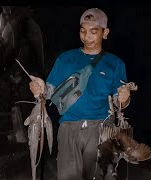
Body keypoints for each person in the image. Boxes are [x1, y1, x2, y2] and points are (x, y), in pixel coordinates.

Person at [29, 8, 131, 180]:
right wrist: (40, 88)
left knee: (99, 176)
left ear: (105, 33)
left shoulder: (115, 64)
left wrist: (124, 97)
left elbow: (119, 102)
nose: (87, 37)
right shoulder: (65, 59)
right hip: (69, 128)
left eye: (93, 31)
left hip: (100, 129)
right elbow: (50, 91)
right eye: (83, 31)